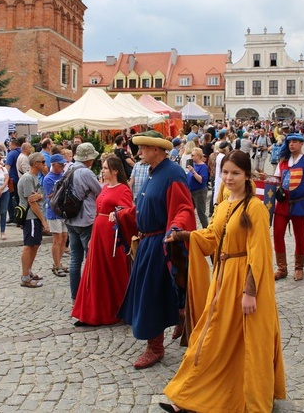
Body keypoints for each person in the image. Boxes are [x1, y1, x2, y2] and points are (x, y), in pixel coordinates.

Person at [161, 150, 286, 413]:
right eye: (226, 172)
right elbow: (211, 236)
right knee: (209, 338)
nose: (229, 178)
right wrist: (183, 235)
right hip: (222, 279)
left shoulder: (255, 208)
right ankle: (192, 397)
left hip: (244, 282)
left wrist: (249, 292)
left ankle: (238, 396)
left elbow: (260, 253)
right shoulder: (225, 201)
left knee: (240, 342)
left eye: (235, 173)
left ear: (247, 175)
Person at [115, 130, 195, 369]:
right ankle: (179, 314)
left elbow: (184, 208)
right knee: (155, 293)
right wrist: (122, 215)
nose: (138, 152)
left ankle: (155, 348)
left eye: (143, 148)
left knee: (151, 296)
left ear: (157, 150)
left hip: (161, 244)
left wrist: (177, 227)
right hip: (147, 243)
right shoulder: (151, 172)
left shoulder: (173, 174)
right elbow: (143, 206)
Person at [71, 156, 134, 326]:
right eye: (103, 168)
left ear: (115, 171)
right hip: (98, 233)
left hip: (112, 236)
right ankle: (91, 312)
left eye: (106, 168)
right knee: (95, 272)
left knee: (113, 273)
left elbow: (128, 211)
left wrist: (118, 213)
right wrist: (92, 237)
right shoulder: (104, 187)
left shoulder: (123, 190)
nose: (103, 171)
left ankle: (120, 310)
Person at [272, 133, 304, 281]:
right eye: (289, 142)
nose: (291, 144)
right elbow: (276, 180)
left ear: (301, 144)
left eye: (295, 142)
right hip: (282, 204)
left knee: (300, 237)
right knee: (277, 234)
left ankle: (299, 268)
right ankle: (282, 268)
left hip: (300, 203)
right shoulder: (283, 162)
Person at [64, 143, 103, 299]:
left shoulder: (69, 168)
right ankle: (89, 294)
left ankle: (75, 295)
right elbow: (99, 192)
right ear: (88, 158)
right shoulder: (86, 172)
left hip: (70, 218)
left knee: (75, 259)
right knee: (90, 258)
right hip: (85, 219)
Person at [18, 152, 50, 288]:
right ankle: (25, 277)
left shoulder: (36, 177)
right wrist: (43, 221)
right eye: (43, 162)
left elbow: (39, 196)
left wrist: (40, 196)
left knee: (35, 245)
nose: (45, 164)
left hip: (35, 216)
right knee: (29, 246)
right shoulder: (27, 179)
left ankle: (29, 271)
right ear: (36, 163)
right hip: (31, 216)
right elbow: (32, 201)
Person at [42, 154, 69, 277]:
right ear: (53, 165)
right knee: (57, 239)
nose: (63, 167)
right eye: (60, 165)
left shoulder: (63, 175)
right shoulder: (48, 179)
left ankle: (60, 262)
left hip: (63, 211)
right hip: (54, 212)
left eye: (63, 164)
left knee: (64, 237)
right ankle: (56, 264)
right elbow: (50, 196)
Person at [185, 147, 209, 228]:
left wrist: (193, 172)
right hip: (191, 191)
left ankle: (206, 230)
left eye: (193, 155)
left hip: (199, 192)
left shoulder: (203, 167)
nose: (191, 157)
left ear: (198, 156)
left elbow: (202, 180)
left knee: (201, 213)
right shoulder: (193, 164)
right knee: (189, 210)